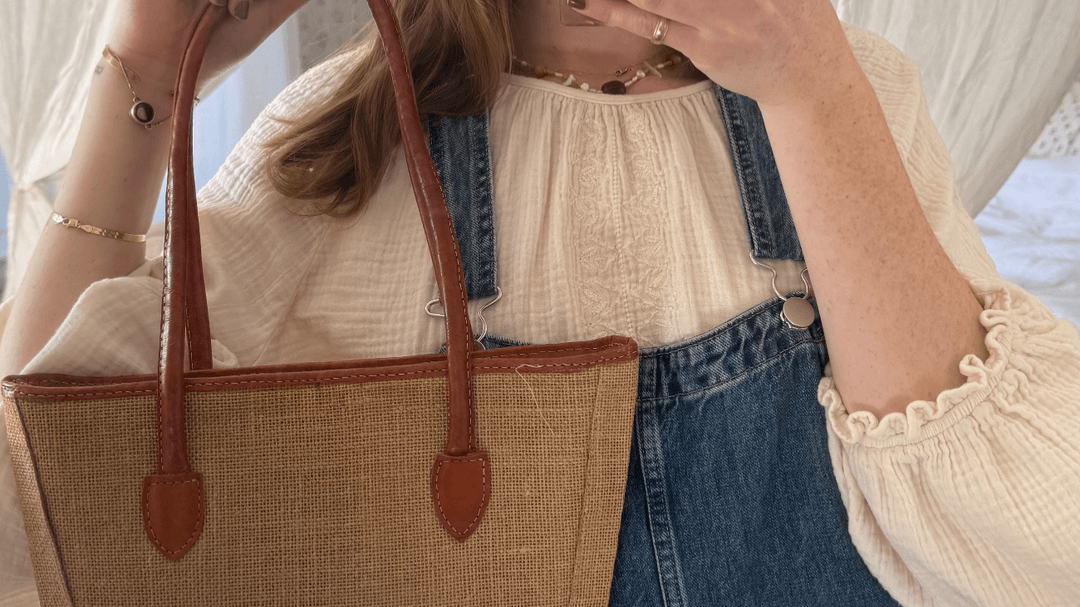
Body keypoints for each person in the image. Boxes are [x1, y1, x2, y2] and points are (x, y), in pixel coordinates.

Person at [1, 0, 1078, 604]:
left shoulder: (851, 88)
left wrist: (809, 81)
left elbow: (1030, 542)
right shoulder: (345, 138)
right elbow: (36, 502)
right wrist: (145, 78)